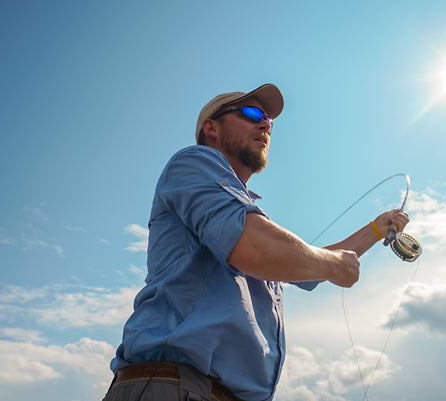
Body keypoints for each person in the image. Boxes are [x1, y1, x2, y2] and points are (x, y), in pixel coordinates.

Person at [103, 83, 409, 401]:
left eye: (270, 122)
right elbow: (257, 248)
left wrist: (376, 228)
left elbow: (305, 264)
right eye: (251, 113)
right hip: (176, 385)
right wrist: (333, 265)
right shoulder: (192, 163)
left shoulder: (250, 220)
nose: (264, 124)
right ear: (211, 127)